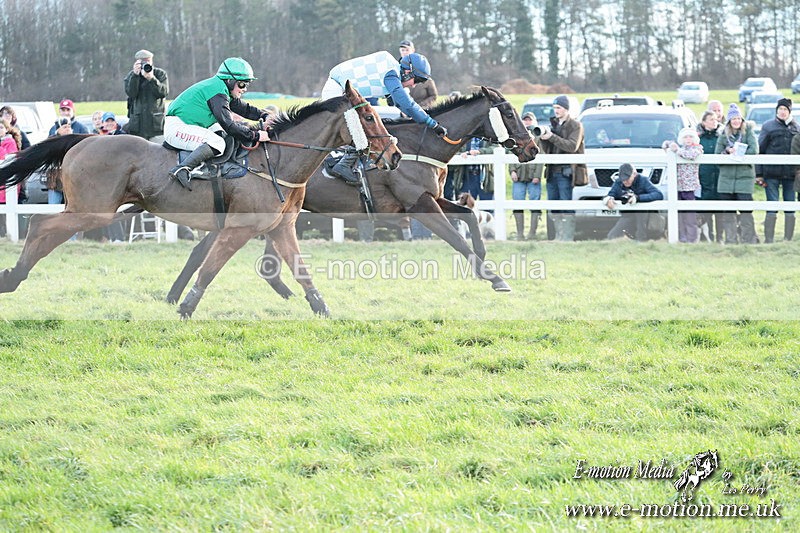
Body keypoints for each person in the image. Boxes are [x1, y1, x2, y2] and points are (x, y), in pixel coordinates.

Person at [320, 50, 447, 183]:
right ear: (407, 72)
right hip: (337, 89)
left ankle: (347, 161)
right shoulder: (391, 75)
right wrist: (432, 124)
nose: (414, 85)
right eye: (417, 80)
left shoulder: (391, 72)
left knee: (372, 123)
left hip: (346, 92)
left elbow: (397, 102)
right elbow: (407, 105)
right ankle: (343, 164)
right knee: (360, 125)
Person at [164, 57, 271, 190]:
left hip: (191, 124)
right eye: (242, 84)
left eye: (247, 84)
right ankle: (182, 169)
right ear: (230, 81)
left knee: (224, 135)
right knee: (218, 143)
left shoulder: (222, 89)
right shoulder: (217, 93)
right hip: (177, 127)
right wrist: (256, 136)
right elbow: (230, 126)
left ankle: (213, 167)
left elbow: (243, 108)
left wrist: (264, 115)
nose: (244, 89)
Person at [538, 95, 587, 241]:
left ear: (566, 109)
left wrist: (552, 136)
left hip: (566, 172)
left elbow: (572, 146)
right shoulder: (553, 125)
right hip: (552, 171)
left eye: (558, 108)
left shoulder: (576, 125)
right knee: (553, 206)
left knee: (566, 204)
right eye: (554, 108)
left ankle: (567, 237)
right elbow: (548, 149)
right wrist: (543, 138)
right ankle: (557, 236)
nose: (556, 111)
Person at [715, 104, 759, 244]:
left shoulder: (748, 133)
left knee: (746, 212)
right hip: (726, 179)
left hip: (744, 178)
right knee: (728, 213)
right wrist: (727, 152)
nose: (736, 121)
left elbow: (754, 150)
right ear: (729, 121)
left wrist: (740, 152)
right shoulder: (723, 136)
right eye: (733, 118)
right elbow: (717, 155)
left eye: (738, 118)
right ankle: (730, 240)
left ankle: (748, 239)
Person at [756, 98, 799, 243]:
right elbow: (760, 150)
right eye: (780, 109)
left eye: (785, 109)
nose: (782, 112)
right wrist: (759, 173)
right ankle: (769, 239)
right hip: (771, 173)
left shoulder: (796, 128)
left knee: (790, 206)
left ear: (789, 112)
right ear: (776, 111)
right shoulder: (768, 127)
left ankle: (788, 238)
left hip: (790, 175)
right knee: (772, 205)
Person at [603, 163, 663, 242]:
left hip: (644, 217)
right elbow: (611, 194)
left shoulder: (643, 180)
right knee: (612, 236)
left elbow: (658, 195)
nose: (625, 181)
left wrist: (638, 198)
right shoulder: (618, 182)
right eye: (623, 179)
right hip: (628, 215)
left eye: (627, 178)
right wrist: (608, 199)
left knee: (641, 232)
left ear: (634, 174)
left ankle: (641, 240)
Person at [664, 127, 703, 243]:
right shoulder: (680, 149)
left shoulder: (697, 148)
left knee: (690, 213)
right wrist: (669, 146)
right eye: (685, 137)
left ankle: (692, 237)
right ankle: (682, 237)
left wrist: (677, 150)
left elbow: (691, 155)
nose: (688, 139)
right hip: (678, 185)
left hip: (690, 186)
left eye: (690, 136)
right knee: (679, 214)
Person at [510, 112, 544, 240]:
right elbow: (511, 154)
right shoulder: (517, 136)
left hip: (533, 176)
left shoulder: (538, 138)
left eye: (529, 120)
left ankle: (532, 233)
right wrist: (512, 170)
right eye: (525, 120)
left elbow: (541, 157)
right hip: (519, 175)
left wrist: (537, 175)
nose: (527, 122)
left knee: (534, 203)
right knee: (517, 202)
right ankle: (519, 234)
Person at [47, 99, 89, 204]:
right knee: (53, 206)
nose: (65, 112)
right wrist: (57, 135)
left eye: (68, 110)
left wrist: (70, 137)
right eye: (63, 110)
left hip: (75, 174)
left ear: (73, 111)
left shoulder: (81, 128)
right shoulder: (53, 128)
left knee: (75, 207)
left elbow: (87, 149)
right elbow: (47, 148)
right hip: (56, 175)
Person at [124, 49, 168, 142]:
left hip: (156, 126)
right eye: (143, 62)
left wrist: (151, 78)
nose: (146, 64)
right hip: (137, 127)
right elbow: (131, 93)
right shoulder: (131, 76)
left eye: (148, 61)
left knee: (158, 152)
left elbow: (163, 92)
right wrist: (135, 76)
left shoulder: (160, 74)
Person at [697, 111, 722, 242]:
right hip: (704, 176)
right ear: (704, 122)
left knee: (720, 208)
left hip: (719, 175)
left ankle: (719, 237)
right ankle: (708, 236)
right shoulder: (699, 139)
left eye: (715, 119)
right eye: (711, 119)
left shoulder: (721, 137)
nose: (714, 121)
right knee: (706, 207)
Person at [398, 40, 438, 108]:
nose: (404, 52)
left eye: (407, 50)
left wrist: (419, 107)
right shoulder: (396, 71)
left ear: (413, 50)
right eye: (402, 50)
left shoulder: (422, 69)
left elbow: (433, 96)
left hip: (424, 110)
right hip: (403, 111)